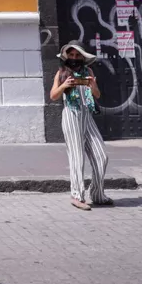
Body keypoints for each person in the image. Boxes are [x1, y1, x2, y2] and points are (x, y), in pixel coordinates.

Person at [49, 41, 112, 211]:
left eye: (78, 55)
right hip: (71, 115)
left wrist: (93, 86)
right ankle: (77, 195)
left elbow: (97, 94)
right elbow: (53, 96)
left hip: (87, 115)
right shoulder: (61, 73)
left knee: (101, 156)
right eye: (71, 55)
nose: (74, 58)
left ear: (83, 57)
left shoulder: (88, 72)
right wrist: (64, 85)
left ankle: (97, 194)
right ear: (66, 56)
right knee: (77, 157)